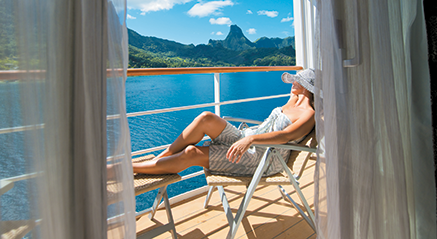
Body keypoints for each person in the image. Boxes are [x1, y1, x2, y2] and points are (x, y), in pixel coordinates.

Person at [108, 69, 316, 178]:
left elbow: (284, 137)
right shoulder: (293, 100)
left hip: (264, 158)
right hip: (249, 138)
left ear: (306, 87)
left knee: (192, 153)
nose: (292, 83)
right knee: (206, 117)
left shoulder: (309, 114)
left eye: (296, 81)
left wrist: (250, 139)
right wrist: (248, 137)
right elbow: (272, 123)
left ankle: (128, 170)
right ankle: (161, 158)